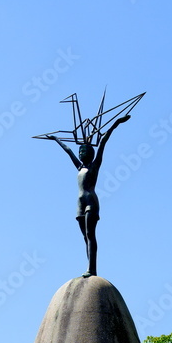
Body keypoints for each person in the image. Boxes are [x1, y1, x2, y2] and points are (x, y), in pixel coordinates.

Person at [49, 114, 129, 276]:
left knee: (90, 235)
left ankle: (92, 269)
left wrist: (116, 123)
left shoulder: (95, 166)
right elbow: (68, 151)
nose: (81, 152)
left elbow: (104, 141)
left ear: (90, 154)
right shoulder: (79, 168)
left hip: (91, 202)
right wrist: (56, 139)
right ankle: (89, 266)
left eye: (84, 150)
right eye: (80, 150)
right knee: (85, 238)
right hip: (79, 204)